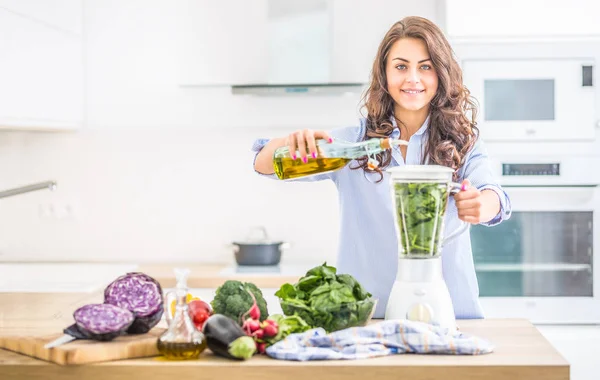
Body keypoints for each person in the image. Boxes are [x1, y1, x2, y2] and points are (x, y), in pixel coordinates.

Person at [251, 16, 512, 319]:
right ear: (384, 75)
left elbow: (496, 196)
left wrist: (481, 205)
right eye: (401, 67)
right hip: (365, 318)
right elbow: (263, 163)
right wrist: (290, 142)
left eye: (425, 67)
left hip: (451, 314)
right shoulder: (353, 144)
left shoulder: (463, 143)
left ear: (441, 74)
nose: (412, 78)